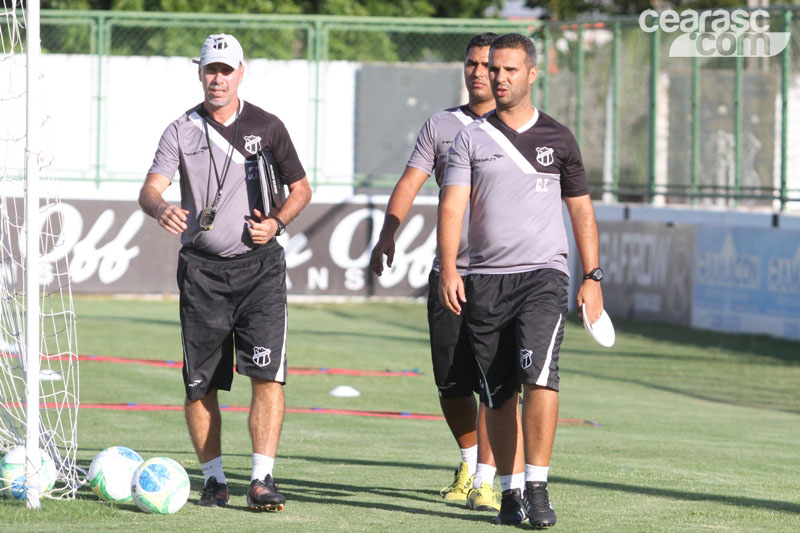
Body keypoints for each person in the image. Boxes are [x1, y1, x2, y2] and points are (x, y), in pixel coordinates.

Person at [138, 33, 312, 512]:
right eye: (210, 69)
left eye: (226, 70)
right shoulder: (180, 129)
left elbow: (301, 188)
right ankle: (214, 480)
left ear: (241, 72)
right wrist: (160, 208)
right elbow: (151, 188)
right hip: (201, 272)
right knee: (201, 382)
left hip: (260, 271)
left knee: (267, 375)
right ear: (200, 72)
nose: (218, 78)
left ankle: (261, 479)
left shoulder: (267, 127)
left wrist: (276, 222)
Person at [437, 33, 604, 528]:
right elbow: (451, 207)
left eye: (511, 70)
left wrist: (592, 275)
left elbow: (581, 211)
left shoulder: (559, 139)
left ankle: (537, 486)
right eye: (494, 70)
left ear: (532, 74)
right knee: (498, 393)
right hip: (485, 279)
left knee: (539, 376)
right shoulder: (469, 136)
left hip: (543, 278)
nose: (499, 78)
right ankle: (509, 493)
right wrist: (450, 266)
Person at [370, 32, 521, 513]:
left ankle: (486, 479)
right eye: (473, 64)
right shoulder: (441, 126)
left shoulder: (519, 127)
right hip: (450, 271)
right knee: (451, 381)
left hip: (502, 273)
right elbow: (409, 182)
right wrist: (387, 234)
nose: (481, 72)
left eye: (489, 64)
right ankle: (468, 461)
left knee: (496, 378)